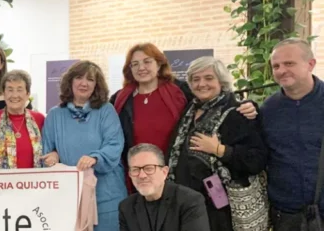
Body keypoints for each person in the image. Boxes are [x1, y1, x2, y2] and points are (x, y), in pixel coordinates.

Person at [111, 43, 256, 190]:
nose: (141, 68)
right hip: (138, 174)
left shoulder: (179, 91)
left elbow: (215, 98)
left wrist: (248, 105)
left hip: (177, 175)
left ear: (159, 64)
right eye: (135, 64)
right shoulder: (120, 99)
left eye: (147, 61)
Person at [167, 57, 267, 231]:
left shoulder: (238, 113)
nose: (201, 84)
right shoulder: (189, 110)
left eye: (209, 78)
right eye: (195, 79)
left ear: (221, 81)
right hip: (187, 201)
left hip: (219, 208)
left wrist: (220, 150)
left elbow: (257, 159)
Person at [42, 61, 126, 231]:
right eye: (79, 77)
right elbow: (46, 151)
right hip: (70, 195)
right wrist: (53, 156)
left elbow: (115, 144)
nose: (84, 83)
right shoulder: (54, 115)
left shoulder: (106, 110)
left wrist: (95, 157)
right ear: (70, 81)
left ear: (96, 85)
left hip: (106, 195)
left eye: (90, 79)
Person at [261, 38, 324, 230]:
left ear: (310, 64)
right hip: (287, 215)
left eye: (289, 63)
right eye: (276, 66)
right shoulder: (268, 109)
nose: (281, 70)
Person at [119, 144, 210, 231]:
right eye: (135, 170)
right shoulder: (126, 207)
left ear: (164, 172)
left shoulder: (190, 201)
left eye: (149, 168)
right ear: (130, 175)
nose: (142, 175)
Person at [0, 70, 45, 169]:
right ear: (4, 93)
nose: (14, 95)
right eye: (10, 90)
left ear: (28, 94)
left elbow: (52, 149)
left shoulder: (40, 120)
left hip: (33, 183)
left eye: (19, 90)